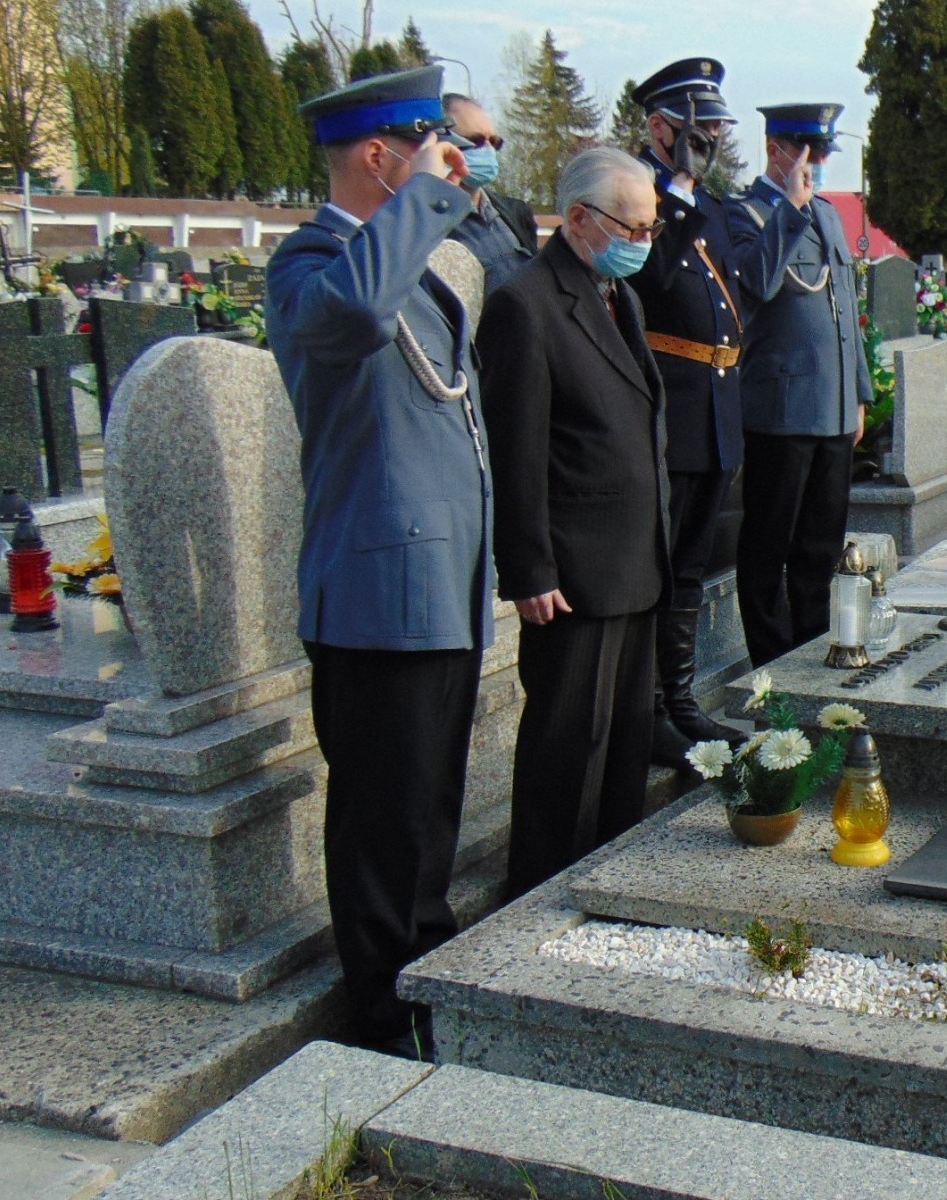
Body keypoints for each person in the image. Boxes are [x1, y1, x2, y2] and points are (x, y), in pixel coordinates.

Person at [265, 65, 491, 1059]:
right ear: (377, 156)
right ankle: (382, 1021)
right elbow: (355, 319)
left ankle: (426, 981)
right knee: (381, 827)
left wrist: (447, 201)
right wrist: (427, 200)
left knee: (429, 818)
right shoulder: (312, 265)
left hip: (440, 587)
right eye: (431, 147)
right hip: (374, 595)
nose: (451, 165)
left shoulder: (411, 263)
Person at [475, 146, 672, 900]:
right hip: (574, 573)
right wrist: (529, 568)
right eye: (633, 227)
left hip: (635, 561)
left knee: (623, 746)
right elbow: (517, 448)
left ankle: (607, 882)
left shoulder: (620, 297)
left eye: (652, 228)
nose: (644, 242)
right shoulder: (525, 304)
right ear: (581, 219)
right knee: (569, 748)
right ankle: (540, 896)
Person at [627, 58, 748, 764]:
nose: (710, 143)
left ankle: (680, 700)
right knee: (663, 567)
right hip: (671, 409)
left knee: (692, 569)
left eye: (715, 132)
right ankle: (648, 712)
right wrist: (673, 191)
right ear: (660, 128)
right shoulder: (640, 196)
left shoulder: (711, 206)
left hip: (715, 408)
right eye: (698, 131)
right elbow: (652, 278)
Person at [726, 103, 870, 667]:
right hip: (781, 409)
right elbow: (756, 285)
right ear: (776, 150)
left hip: (834, 408)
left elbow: (846, 308)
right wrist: (788, 208)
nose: (820, 162)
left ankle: (811, 647)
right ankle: (770, 659)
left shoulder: (828, 215)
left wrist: (858, 392)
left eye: (826, 151)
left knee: (820, 544)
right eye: (810, 151)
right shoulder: (747, 213)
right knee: (769, 543)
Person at [441, 92, 538, 294]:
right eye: (475, 141)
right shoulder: (431, 225)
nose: (488, 150)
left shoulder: (516, 213)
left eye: (494, 142)